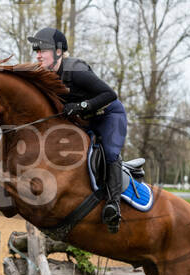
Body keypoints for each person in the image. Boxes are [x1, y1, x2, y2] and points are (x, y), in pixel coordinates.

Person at [27, 27, 128, 233]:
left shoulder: (76, 70)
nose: (38, 55)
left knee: (109, 152)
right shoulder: (45, 75)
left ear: (58, 51)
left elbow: (109, 94)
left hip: (109, 116)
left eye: (42, 50)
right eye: (36, 51)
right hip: (85, 120)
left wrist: (81, 106)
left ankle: (113, 205)